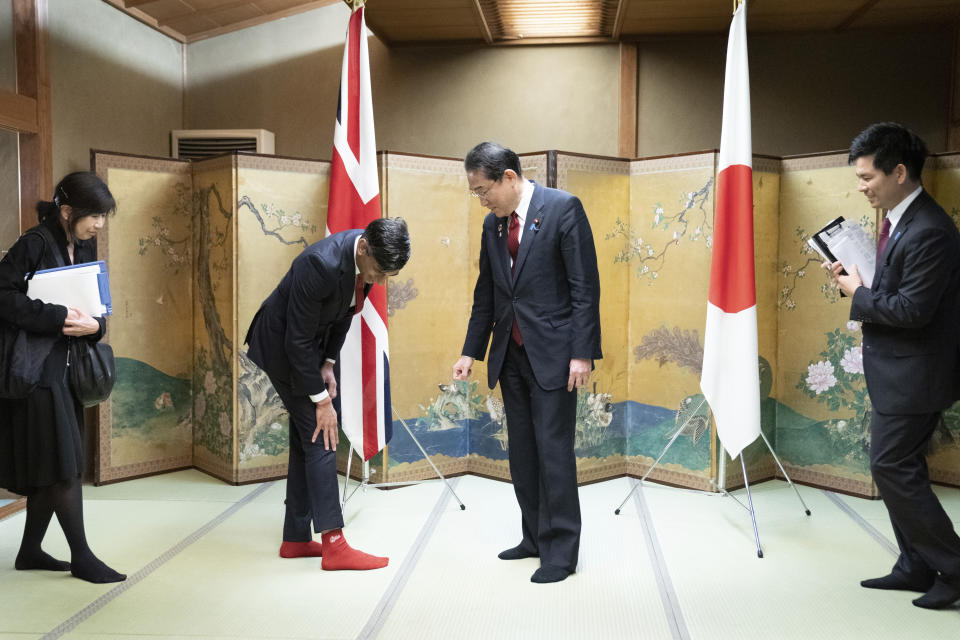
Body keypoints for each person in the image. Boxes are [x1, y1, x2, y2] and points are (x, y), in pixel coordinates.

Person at [452, 142, 602, 584]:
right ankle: (534, 537)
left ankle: (560, 552)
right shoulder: (492, 225)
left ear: (510, 179)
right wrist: (469, 351)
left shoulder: (563, 209)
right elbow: (489, 293)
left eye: (484, 190)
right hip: (510, 355)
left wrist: (581, 353)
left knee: (554, 454)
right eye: (476, 193)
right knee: (522, 454)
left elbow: (584, 288)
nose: (481, 199)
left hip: (556, 355)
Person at [825, 122, 960, 609]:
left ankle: (954, 566)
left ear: (899, 172)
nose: (861, 187)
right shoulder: (899, 219)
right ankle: (915, 564)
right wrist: (856, 279)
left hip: (917, 375)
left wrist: (857, 293)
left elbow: (911, 311)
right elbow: (895, 294)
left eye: (866, 178)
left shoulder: (929, 230)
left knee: (891, 466)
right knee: (898, 469)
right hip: (900, 371)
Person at [245, 217, 409, 571]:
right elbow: (296, 340)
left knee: (307, 438)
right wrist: (321, 400)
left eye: (387, 276)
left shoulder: (365, 263)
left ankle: (295, 538)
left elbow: (344, 316)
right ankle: (334, 544)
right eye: (379, 272)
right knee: (323, 436)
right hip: (281, 347)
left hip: (309, 349)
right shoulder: (319, 263)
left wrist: (329, 363)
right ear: (363, 248)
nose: (380, 282)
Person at [0, 171, 125, 584]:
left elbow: (96, 309)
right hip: (36, 372)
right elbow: (2, 295)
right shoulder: (33, 244)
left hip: (65, 368)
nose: (99, 225)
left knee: (52, 462)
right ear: (67, 210)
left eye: (104, 217)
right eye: (94, 216)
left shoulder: (82, 244)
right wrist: (55, 317)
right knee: (65, 466)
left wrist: (96, 328)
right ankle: (83, 557)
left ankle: (31, 550)